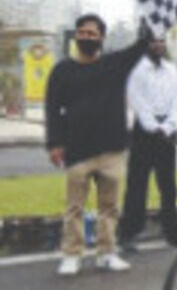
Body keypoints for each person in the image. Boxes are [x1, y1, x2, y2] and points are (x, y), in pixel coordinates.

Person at [43, 14, 151, 276]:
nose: (86, 37)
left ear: (102, 37)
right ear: (75, 35)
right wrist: (54, 143)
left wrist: (149, 22)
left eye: (92, 33)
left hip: (112, 149)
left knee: (109, 207)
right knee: (74, 207)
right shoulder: (62, 70)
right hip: (76, 149)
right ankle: (72, 255)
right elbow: (52, 109)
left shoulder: (115, 64)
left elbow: (140, 47)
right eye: (82, 32)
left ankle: (107, 253)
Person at [119, 35, 177, 250]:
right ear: (146, 44)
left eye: (162, 41)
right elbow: (137, 101)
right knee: (137, 185)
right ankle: (129, 234)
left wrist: (169, 126)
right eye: (154, 41)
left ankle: (171, 232)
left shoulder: (172, 70)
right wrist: (153, 126)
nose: (159, 45)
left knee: (169, 187)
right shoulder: (137, 70)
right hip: (144, 132)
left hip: (166, 132)